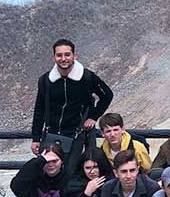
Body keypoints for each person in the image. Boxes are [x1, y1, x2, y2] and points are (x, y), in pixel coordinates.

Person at [30, 39, 113, 177]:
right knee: (48, 174)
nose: (63, 59)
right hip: (50, 133)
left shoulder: (86, 77)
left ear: (75, 56)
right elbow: (39, 109)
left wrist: (93, 117)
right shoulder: (45, 80)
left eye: (67, 54)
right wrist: (36, 138)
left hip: (76, 134)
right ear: (53, 57)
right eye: (59, 55)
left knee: (71, 175)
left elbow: (107, 95)